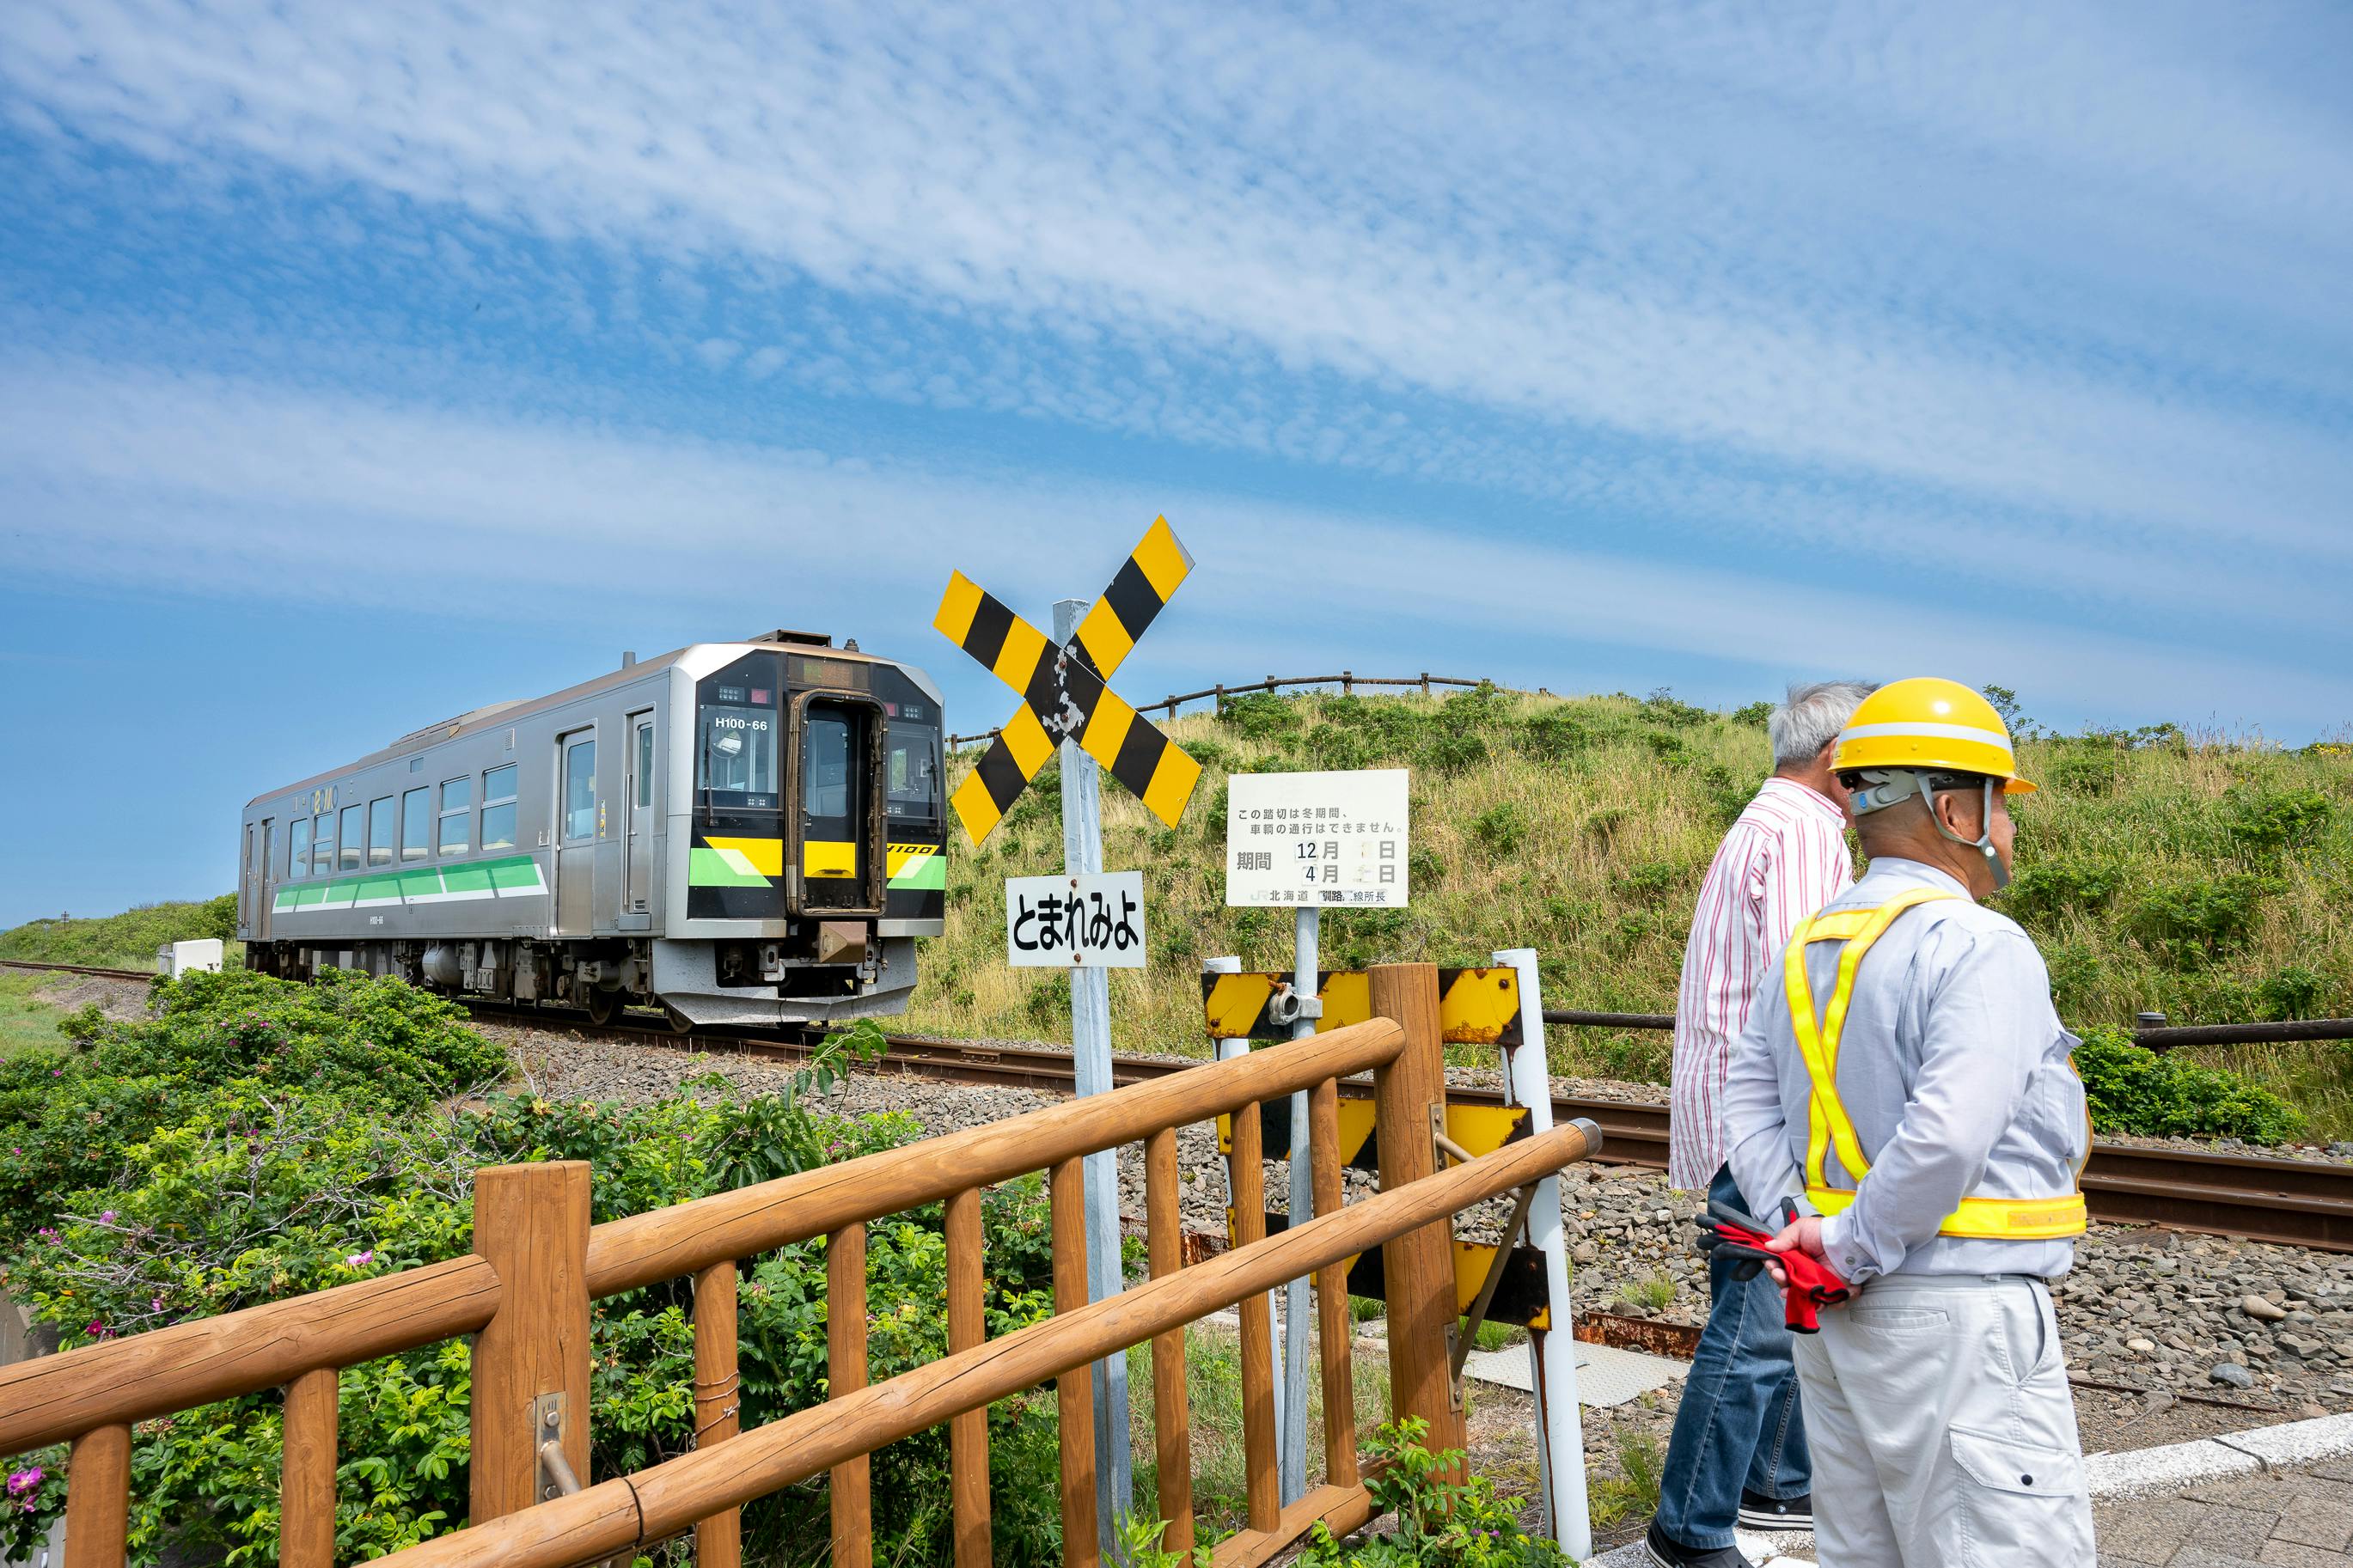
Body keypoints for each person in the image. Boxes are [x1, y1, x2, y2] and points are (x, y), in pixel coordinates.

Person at [1722, 677, 2094, 1566]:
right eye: (2003, 804)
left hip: (1838, 1321)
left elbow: (1744, 1098)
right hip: (1956, 1316)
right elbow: (1948, 1135)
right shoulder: (1977, 944)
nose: (2009, 829)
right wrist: (1843, 1242)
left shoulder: (1808, 943)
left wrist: (1803, 1233)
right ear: (1953, 804)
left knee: (1865, 1550)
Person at [1648, 680, 1876, 1568]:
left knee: (1778, 1306)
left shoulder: (1764, 821)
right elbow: (1806, 986)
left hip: (1736, 1103)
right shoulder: (1803, 834)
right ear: (1835, 758)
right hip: (1767, 1119)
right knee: (1750, 1326)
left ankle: (1773, 1476)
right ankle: (1689, 1523)